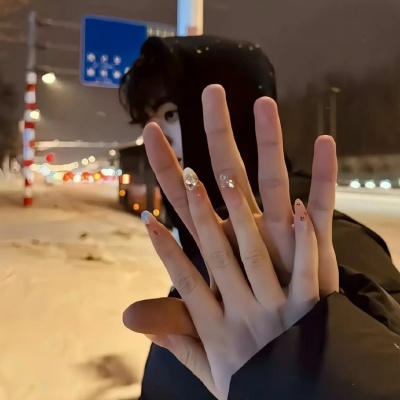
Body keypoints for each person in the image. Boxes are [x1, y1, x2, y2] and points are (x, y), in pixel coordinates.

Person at [120, 36, 400, 399]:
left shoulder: (323, 241)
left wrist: (293, 367)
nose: (160, 138)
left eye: (171, 114)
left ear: (237, 112)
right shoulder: (208, 247)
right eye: (149, 121)